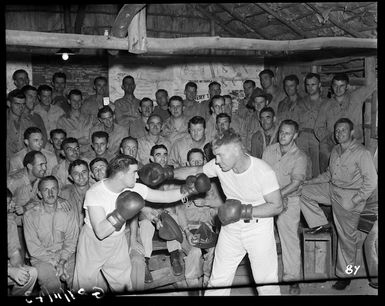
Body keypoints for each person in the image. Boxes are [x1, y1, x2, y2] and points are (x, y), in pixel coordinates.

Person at [72, 154, 210, 293]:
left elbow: (165, 197)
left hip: (117, 241)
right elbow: (101, 232)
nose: (137, 176)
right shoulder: (95, 192)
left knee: (124, 285)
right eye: (134, 173)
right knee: (84, 286)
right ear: (121, 174)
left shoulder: (133, 188)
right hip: (92, 243)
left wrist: (190, 190)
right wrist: (121, 213)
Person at [173, 129, 283, 296]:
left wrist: (243, 211)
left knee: (266, 284)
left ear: (236, 151)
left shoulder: (263, 171)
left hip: (258, 229)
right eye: (214, 155)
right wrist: (166, 173)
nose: (216, 161)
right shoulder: (219, 165)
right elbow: (195, 170)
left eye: (220, 155)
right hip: (231, 227)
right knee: (218, 281)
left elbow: (277, 206)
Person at [300, 118, 377, 290]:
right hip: (332, 190)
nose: (339, 133)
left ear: (351, 133)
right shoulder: (335, 150)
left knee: (346, 241)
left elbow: (371, 182)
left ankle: (346, 275)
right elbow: (328, 175)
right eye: (337, 131)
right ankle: (320, 224)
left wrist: (356, 200)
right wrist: (309, 182)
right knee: (302, 192)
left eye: (343, 130)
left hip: (349, 199)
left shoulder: (361, 153)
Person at [262, 119, 308, 295]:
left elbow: (296, 183)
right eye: (281, 132)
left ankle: (292, 279)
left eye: (287, 133)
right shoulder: (269, 150)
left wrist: (279, 197)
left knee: (290, 241)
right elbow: (262, 174)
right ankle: (266, 278)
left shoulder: (300, 156)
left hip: (290, 199)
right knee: (263, 239)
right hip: (268, 198)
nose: (283, 135)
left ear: (295, 135)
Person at [176, 148, 223, 289]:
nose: (196, 163)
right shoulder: (182, 186)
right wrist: (187, 232)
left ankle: (208, 280)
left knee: (216, 250)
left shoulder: (213, 184)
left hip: (206, 228)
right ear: (187, 163)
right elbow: (179, 211)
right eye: (193, 161)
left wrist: (207, 202)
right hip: (187, 229)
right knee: (195, 251)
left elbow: (222, 204)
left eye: (199, 160)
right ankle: (192, 284)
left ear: (203, 162)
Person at [24, 175, 79, 294]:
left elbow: (71, 241)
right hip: (41, 258)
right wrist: (54, 262)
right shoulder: (30, 215)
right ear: (39, 193)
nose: (50, 193)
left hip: (66, 255)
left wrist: (62, 261)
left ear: (58, 191)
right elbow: (34, 249)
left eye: (53, 188)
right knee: (52, 286)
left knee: (77, 281)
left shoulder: (69, 212)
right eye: (45, 190)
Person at [137, 144, 184, 283]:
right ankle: (145, 261)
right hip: (149, 215)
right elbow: (140, 203)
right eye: (158, 154)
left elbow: (175, 202)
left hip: (166, 216)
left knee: (173, 216)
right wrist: (155, 216)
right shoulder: (144, 175)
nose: (162, 158)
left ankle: (175, 256)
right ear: (151, 158)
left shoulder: (173, 175)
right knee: (145, 223)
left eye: (165, 154)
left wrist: (163, 215)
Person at [315, 73, 376, 173]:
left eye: (342, 86)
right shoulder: (326, 105)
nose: (338, 89)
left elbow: (373, 85)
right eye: (335, 85)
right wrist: (331, 137)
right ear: (332, 86)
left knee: (352, 175)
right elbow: (318, 128)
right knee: (328, 172)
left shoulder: (356, 97)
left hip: (353, 144)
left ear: (347, 86)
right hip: (331, 145)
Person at [7, 151, 49, 263]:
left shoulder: (40, 179)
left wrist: (25, 207)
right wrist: (12, 208)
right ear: (30, 166)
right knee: (17, 259)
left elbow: (38, 200)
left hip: (28, 223)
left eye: (45, 164)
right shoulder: (13, 180)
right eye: (41, 165)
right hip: (13, 226)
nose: (45, 168)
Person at [7, 188, 38, 296]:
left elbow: (14, 253)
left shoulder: (9, 222)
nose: (9, 207)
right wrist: (10, 271)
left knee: (30, 273)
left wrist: (19, 268)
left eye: (9, 203)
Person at [296, 73, 325, 178]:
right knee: (301, 166)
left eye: (313, 84)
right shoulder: (301, 102)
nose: (310, 87)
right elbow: (296, 119)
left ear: (319, 85)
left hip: (317, 137)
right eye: (308, 85)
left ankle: (315, 190)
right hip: (302, 136)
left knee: (317, 169)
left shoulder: (326, 102)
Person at [6, 89, 38, 168]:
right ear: (9, 104)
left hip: (23, 165)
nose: (21, 107)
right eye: (17, 104)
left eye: (23, 104)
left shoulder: (29, 122)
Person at [57, 89, 94, 155]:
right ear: (69, 101)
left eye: (79, 100)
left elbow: (93, 138)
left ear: (82, 101)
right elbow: (62, 141)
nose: (76, 103)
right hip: (72, 155)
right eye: (74, 100)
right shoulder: (62, 120)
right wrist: (80, 140)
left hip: (89, 154)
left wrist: (75, 140)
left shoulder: (90, 118)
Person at [61, 159, 91, 228]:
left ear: (89, 173)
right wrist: (58, 199)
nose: (81, 176)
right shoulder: (63, 194)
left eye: (84, 172)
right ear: (70, 177)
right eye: (76, 173)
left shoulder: (97, 192)